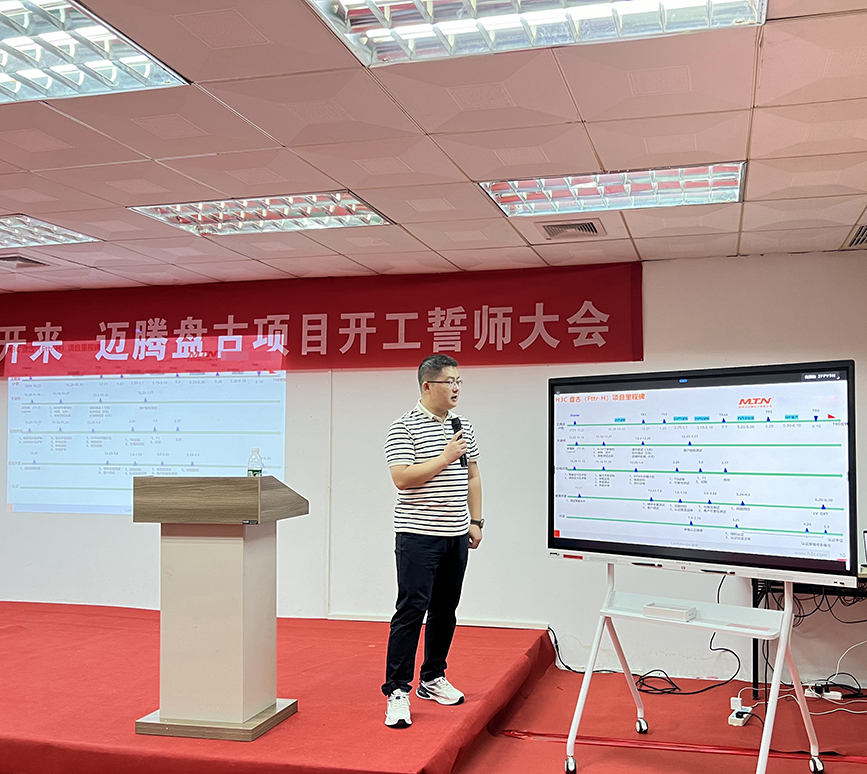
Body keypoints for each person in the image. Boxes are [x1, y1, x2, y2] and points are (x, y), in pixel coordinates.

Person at [382, 354, 484, 729]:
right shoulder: (403, 427)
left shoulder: (463, 426)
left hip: (455, 535)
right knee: (411, 611)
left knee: (445, 610)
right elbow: (402, 478)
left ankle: (433, 677)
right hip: (418, 536)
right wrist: (444, 457)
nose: (456, 388)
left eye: (459, 381)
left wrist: (475, 520)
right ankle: (397, 691)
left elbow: (473, 475)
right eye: (449, 382)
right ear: (428, 386)